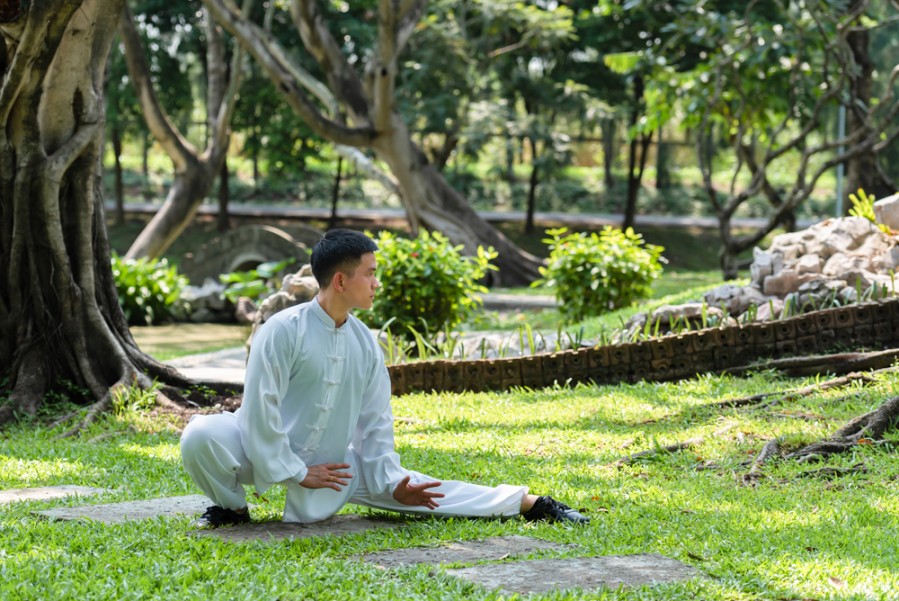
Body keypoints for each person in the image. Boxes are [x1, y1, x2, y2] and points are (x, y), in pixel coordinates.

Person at [180, 229, 588, 528]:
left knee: (419, 490)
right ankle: (232, 510)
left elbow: (375, 423)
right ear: (341, 280)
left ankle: (531, 504)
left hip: (334, 467)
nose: (376, 283)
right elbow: (259, 409)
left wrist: (390, 482)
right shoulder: (282, 330)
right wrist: (296, 472)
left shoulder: (366, 344)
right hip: (260, 451)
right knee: (200, 436)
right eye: (370, 274)